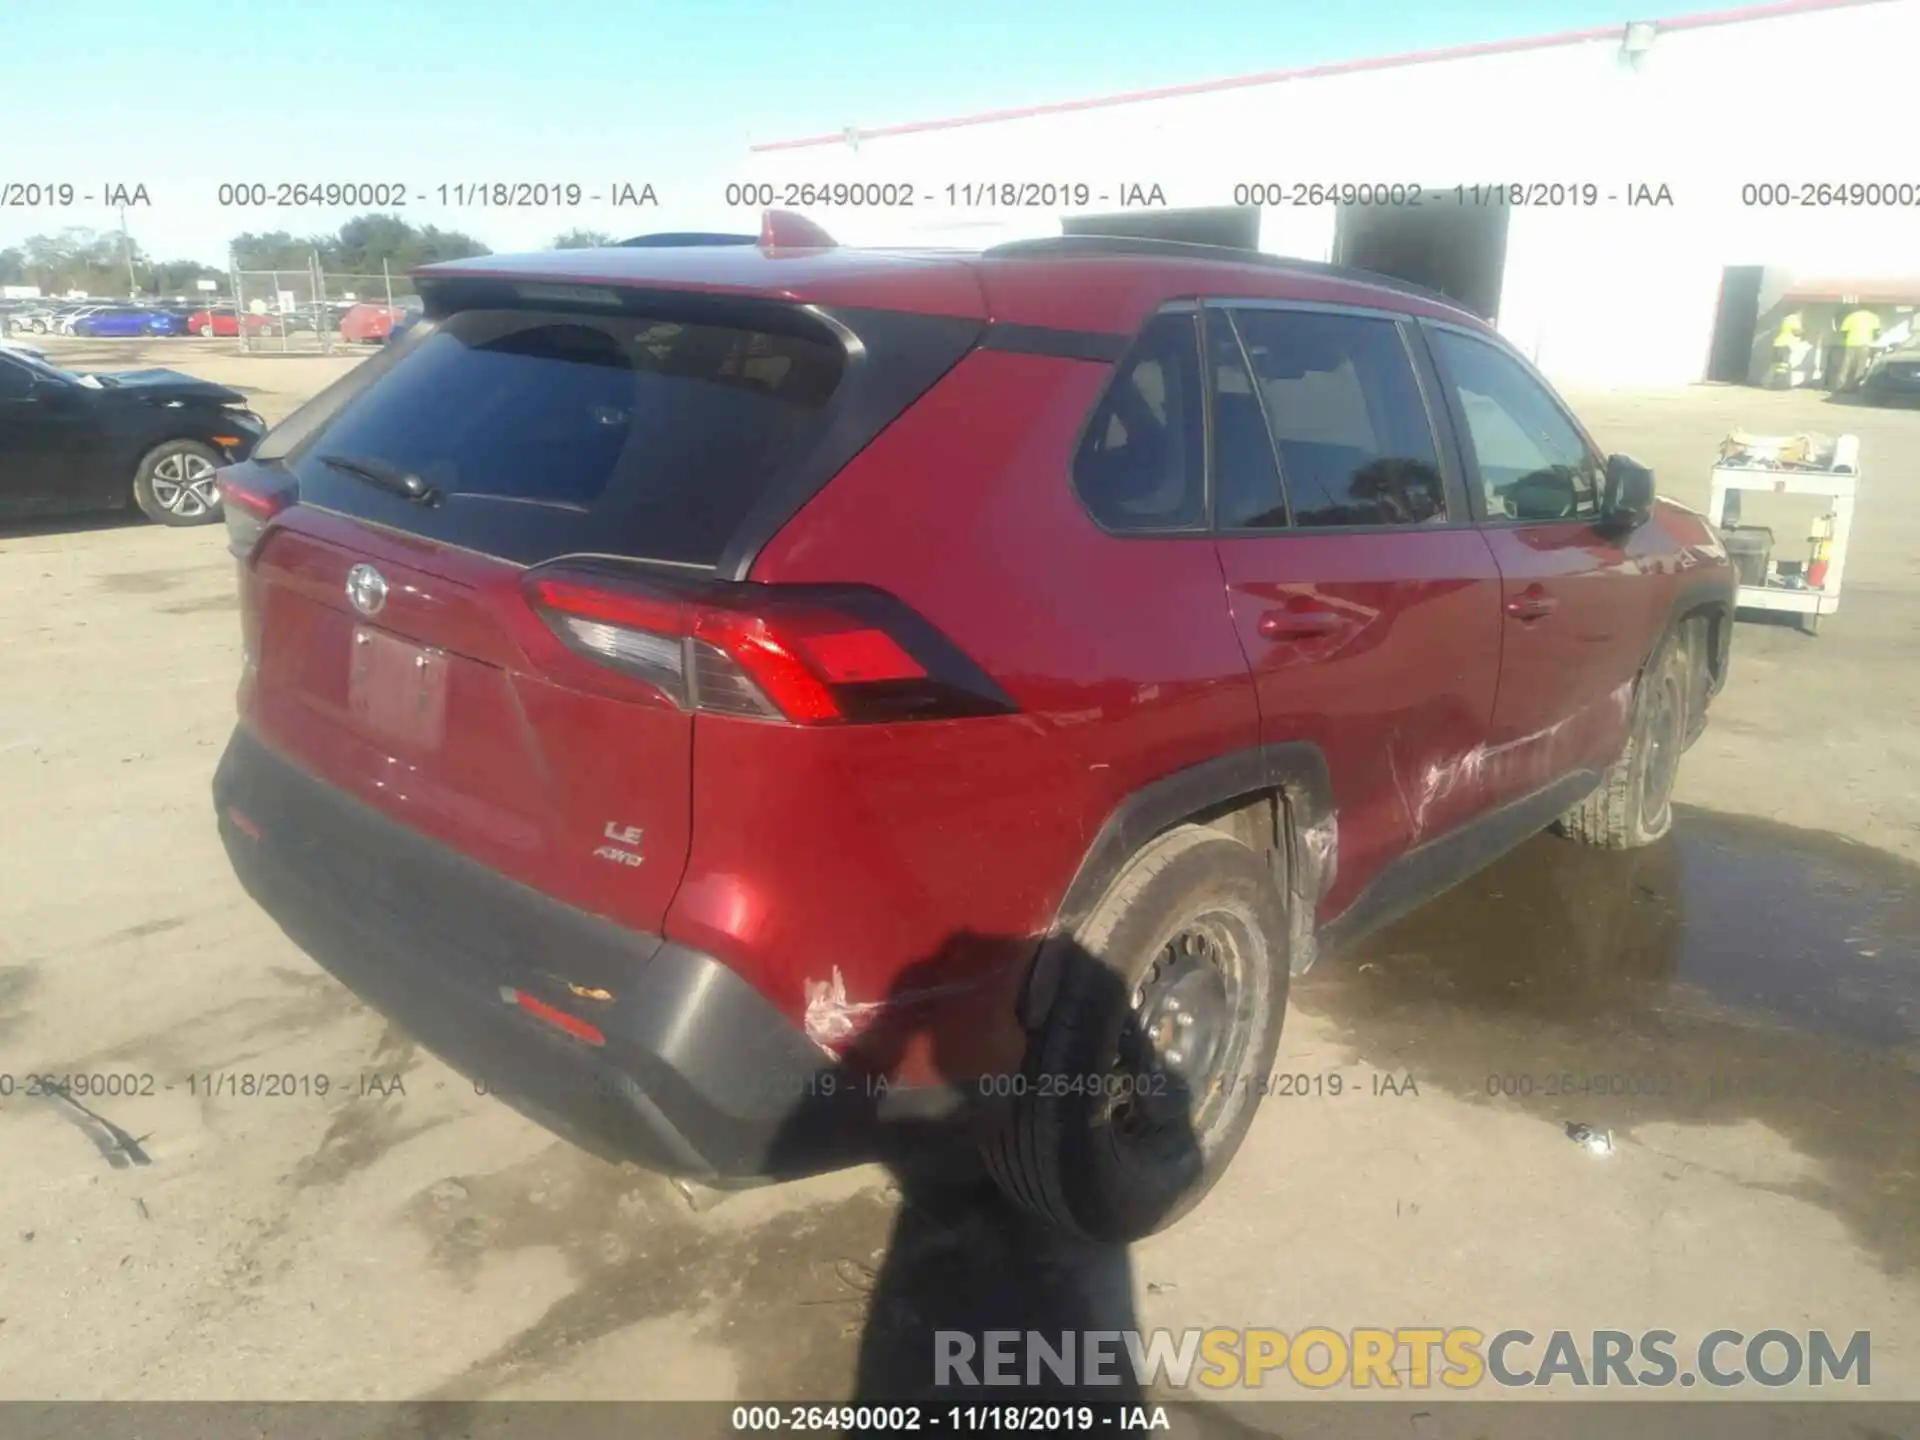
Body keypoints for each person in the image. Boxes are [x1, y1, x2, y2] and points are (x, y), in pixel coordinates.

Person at [1834, 306, 1883, 391]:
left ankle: (1840, 385)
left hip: (1850, 343)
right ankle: (1856, 386)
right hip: (1864, 344)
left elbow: (1844, 331)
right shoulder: (1873, 317)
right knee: (1861, 366)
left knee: (1846, 365)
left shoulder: (1851, 316)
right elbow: (1877, 333)